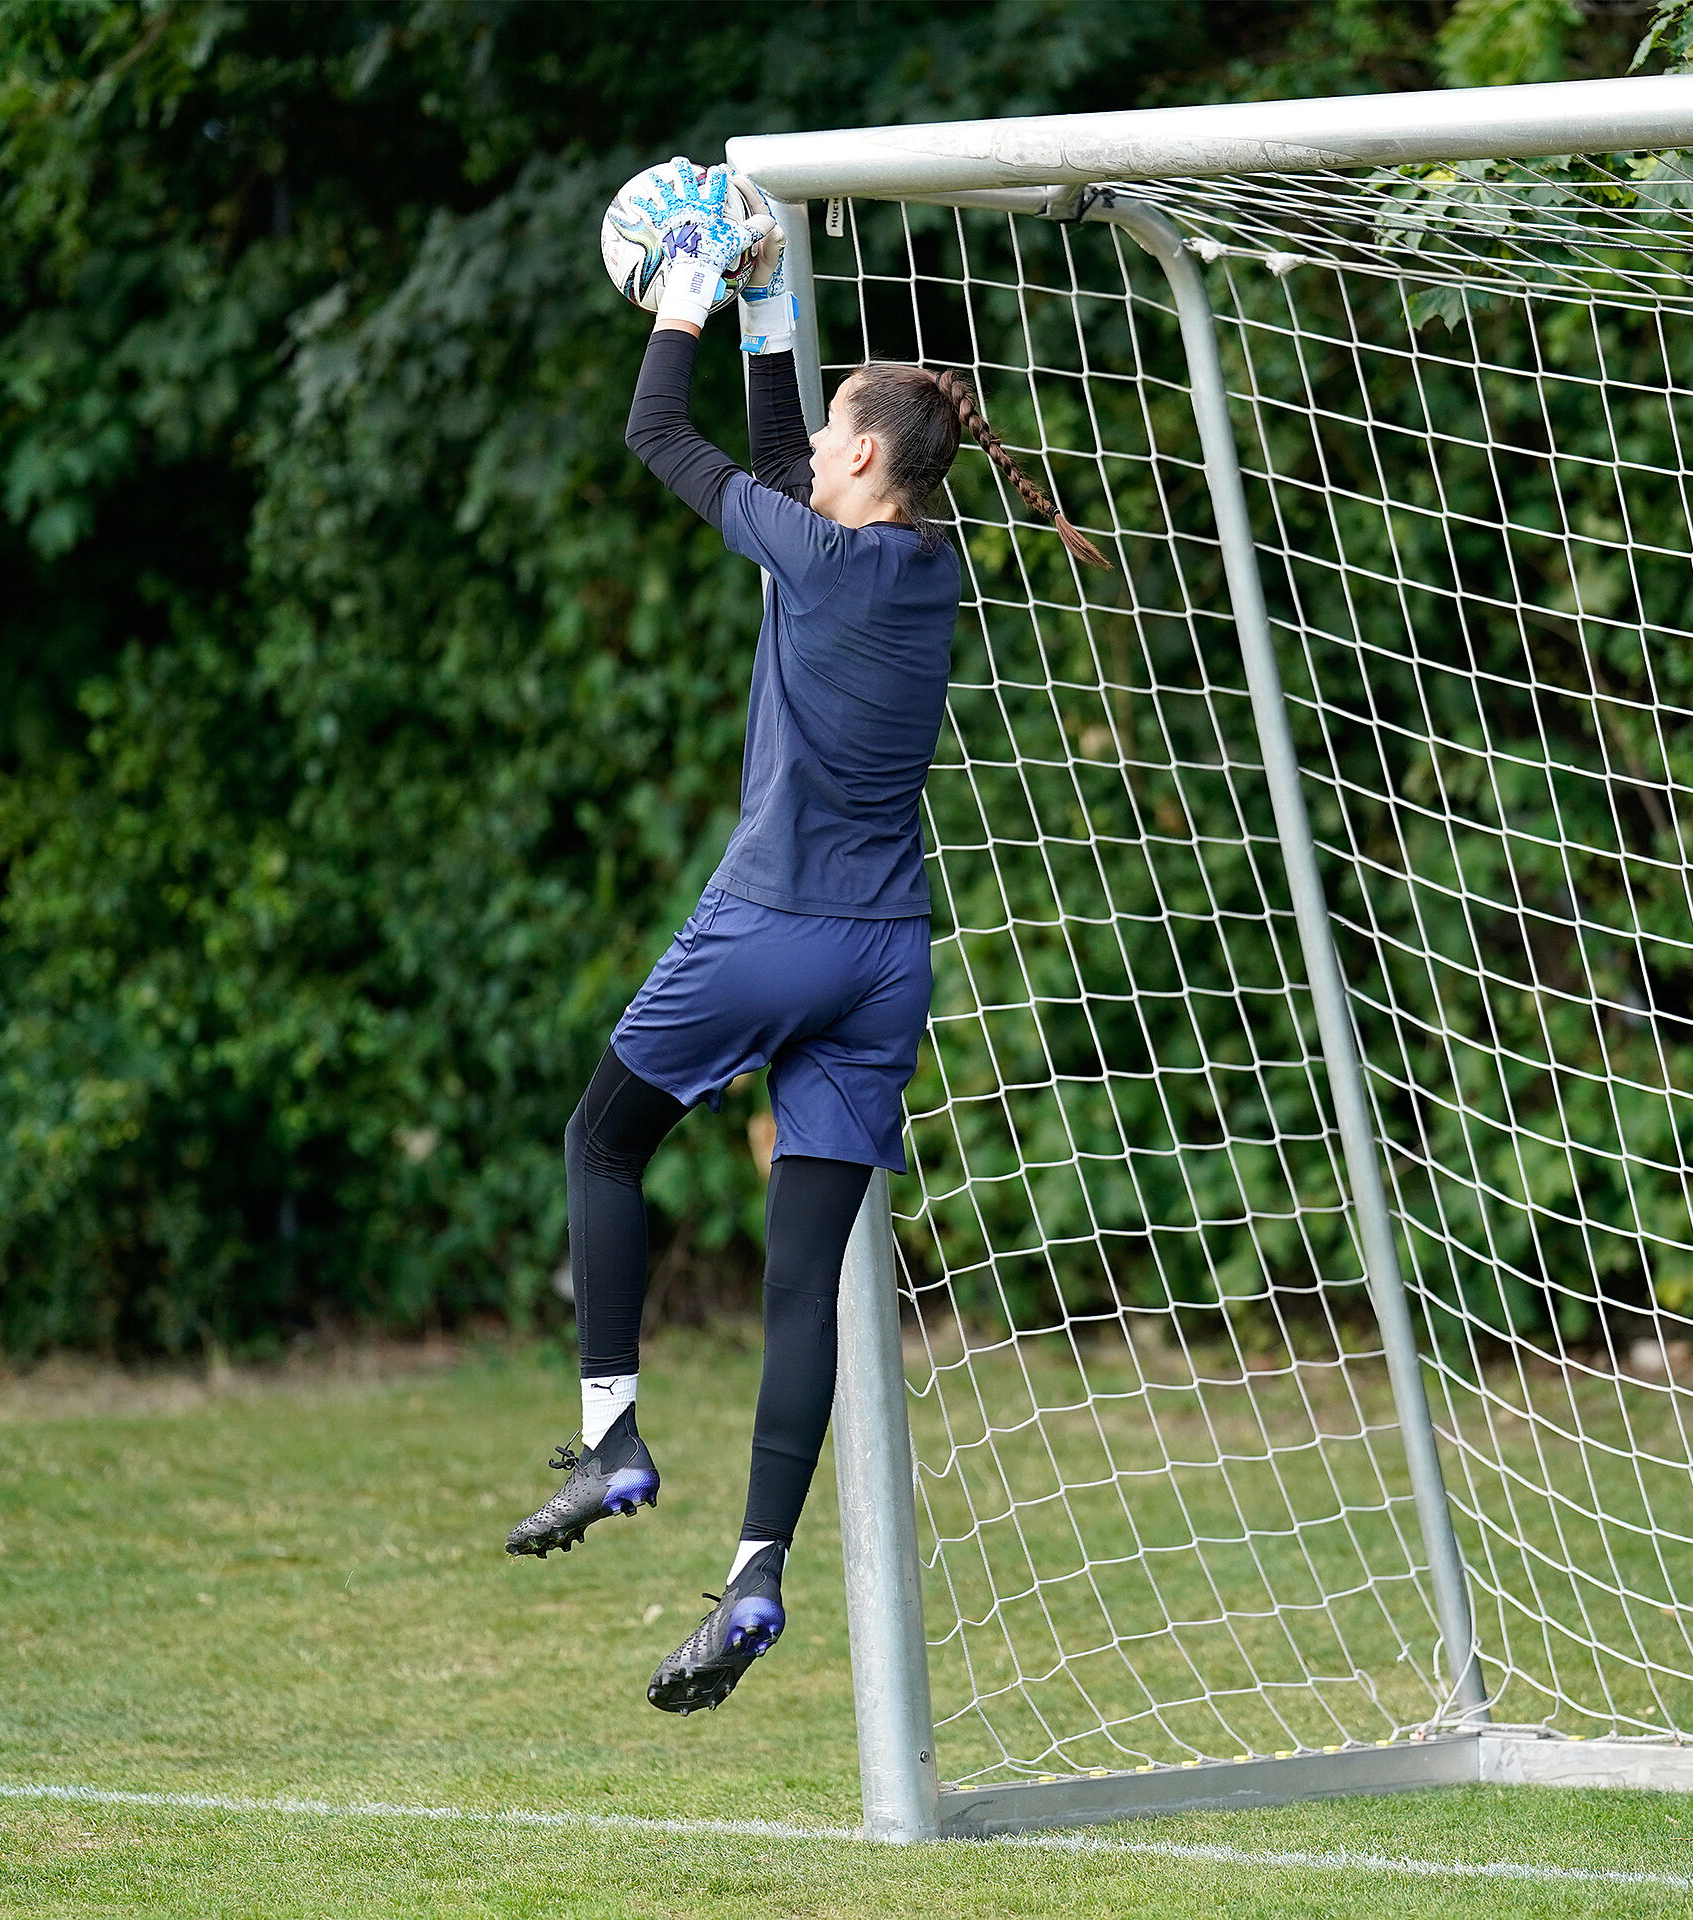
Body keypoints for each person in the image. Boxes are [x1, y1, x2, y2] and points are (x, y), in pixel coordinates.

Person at [504, 162, 1106, 1715]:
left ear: (862, 463)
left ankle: (616, 1435)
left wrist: (690, 302)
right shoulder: (916, 563)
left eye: (832, 432)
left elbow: (662, 434)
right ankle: (758, 1572)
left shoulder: (821, 550)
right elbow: (778, 452)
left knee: (602, 1142)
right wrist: (776, 300)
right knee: (801, 1287)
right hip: (885, 960)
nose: (811, 451)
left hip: (771, 929)